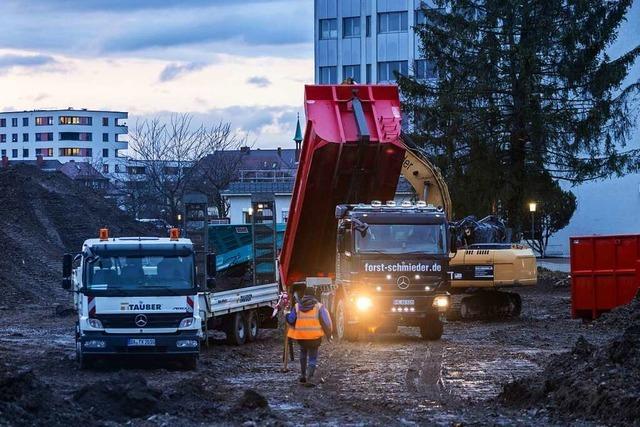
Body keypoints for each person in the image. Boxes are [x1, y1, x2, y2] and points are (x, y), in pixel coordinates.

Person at [286, 287, 333, 385]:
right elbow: (326, 322)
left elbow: (291, 320)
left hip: (301, 337)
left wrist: (286, 315)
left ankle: (302, 375)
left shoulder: (297, 306)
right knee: (312, 357)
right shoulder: (319, 307)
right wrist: (329, 335)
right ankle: (309, 377)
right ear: (314, 295)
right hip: (314, 338)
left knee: (303, 354)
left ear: (304, 295)